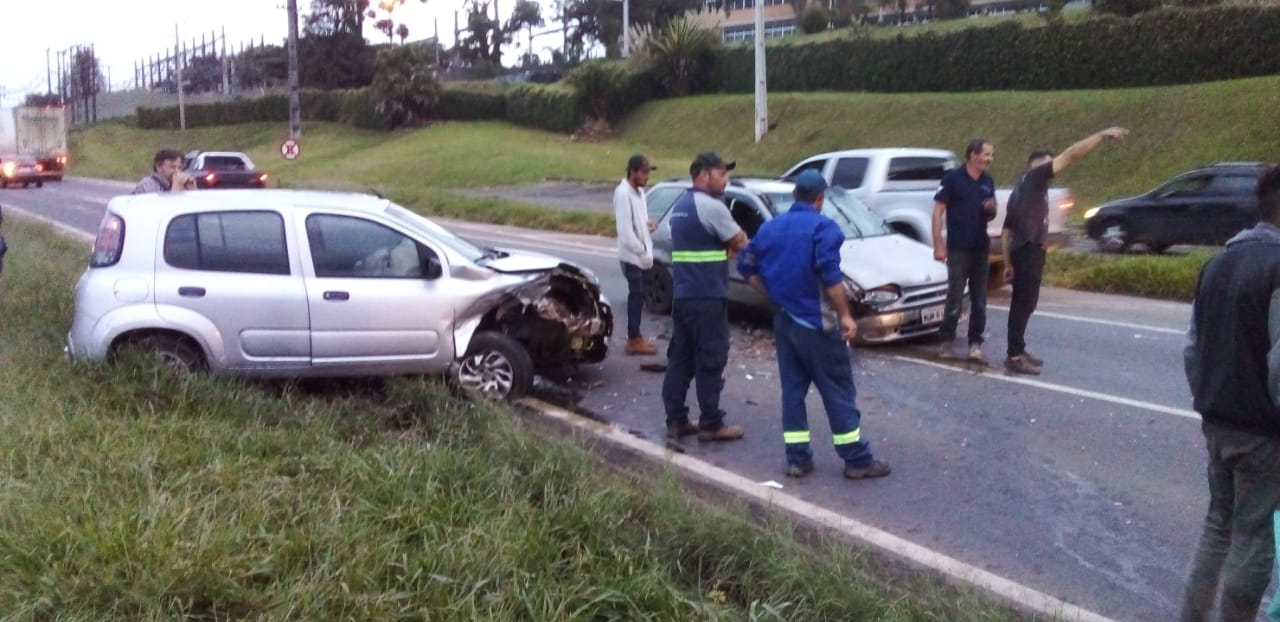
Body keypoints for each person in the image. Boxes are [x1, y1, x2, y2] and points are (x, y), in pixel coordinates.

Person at [738, 170, 891, 480]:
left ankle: (797, 459)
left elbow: (745, 266)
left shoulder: (770, 229)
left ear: (796, 196)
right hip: (818, 325)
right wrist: (846, 315)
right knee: (837, 390)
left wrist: (773, 295)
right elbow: (831, 277)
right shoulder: (824, 228)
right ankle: (857, 459)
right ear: (820, 199)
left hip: (785, 321)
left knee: (793, 392)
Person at [1179, 165, 1280, 622]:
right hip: (1264, 432)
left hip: (1218, 422)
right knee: (1254, 537)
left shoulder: (1218, 263)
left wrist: (1207, 404)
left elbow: (1192, 350)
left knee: (1218, 527)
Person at [1001, 127, 1129, 375]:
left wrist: (1007, 264)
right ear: (1035, 166)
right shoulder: (1035, 178)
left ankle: (1018, 348)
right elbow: (1071, 154)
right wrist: (1102, 135)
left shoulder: (1023, 188)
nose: (1054, 169)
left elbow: (1006, 231)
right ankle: (1014, 355)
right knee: (1023, 304)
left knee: (1024, 303)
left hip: (1025, 251)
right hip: (1027, 251)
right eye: (1049, 165)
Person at [661, 152, 748, 443]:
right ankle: (711, 423)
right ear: (702, 174)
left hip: (685, 295)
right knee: (711, 358)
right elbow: (741, 242)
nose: (726, 180)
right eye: (721, 174)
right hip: (708, 296)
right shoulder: (710, 206)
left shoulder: (682, 205)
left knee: (681, 360)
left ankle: (676, 420)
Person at [932, 138, 997, 362]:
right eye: (986, 154)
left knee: (980, 299)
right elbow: (937, 212)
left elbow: (992, 210)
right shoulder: (952, 179)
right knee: (955, 297)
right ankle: (947, 341)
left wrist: (991, 209)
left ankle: (975, 344)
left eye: (991, 155)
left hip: (980, 246)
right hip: (958, 248)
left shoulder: (988, 181)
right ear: (973, 155)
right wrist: (938, 244)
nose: (989, 159)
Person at [614, 154, 658, 356]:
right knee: (636, 296)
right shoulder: (623, 194)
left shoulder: (639, 193)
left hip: (643, 254)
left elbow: (637, 223)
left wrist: (648, 225)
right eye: (644, 172)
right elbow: (625, 232)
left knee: (640, 297)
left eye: (648, 172)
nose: (647, 176)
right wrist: (642, 251)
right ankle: (633, 339)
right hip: (632, 256)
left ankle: (636, 335)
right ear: (632, 172)